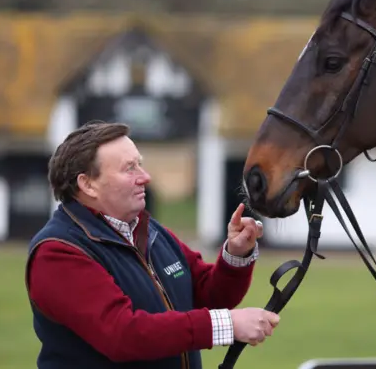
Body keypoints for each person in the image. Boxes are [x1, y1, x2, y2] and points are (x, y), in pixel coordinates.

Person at [25, 120, 280, 369]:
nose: (145, 177)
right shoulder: (57, 252)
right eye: (129, 168)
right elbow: (122, 334)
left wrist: (236, 254)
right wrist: (226, 325)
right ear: (87, 184)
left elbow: (207, 295)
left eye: (140, 165)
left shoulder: (150, 231)